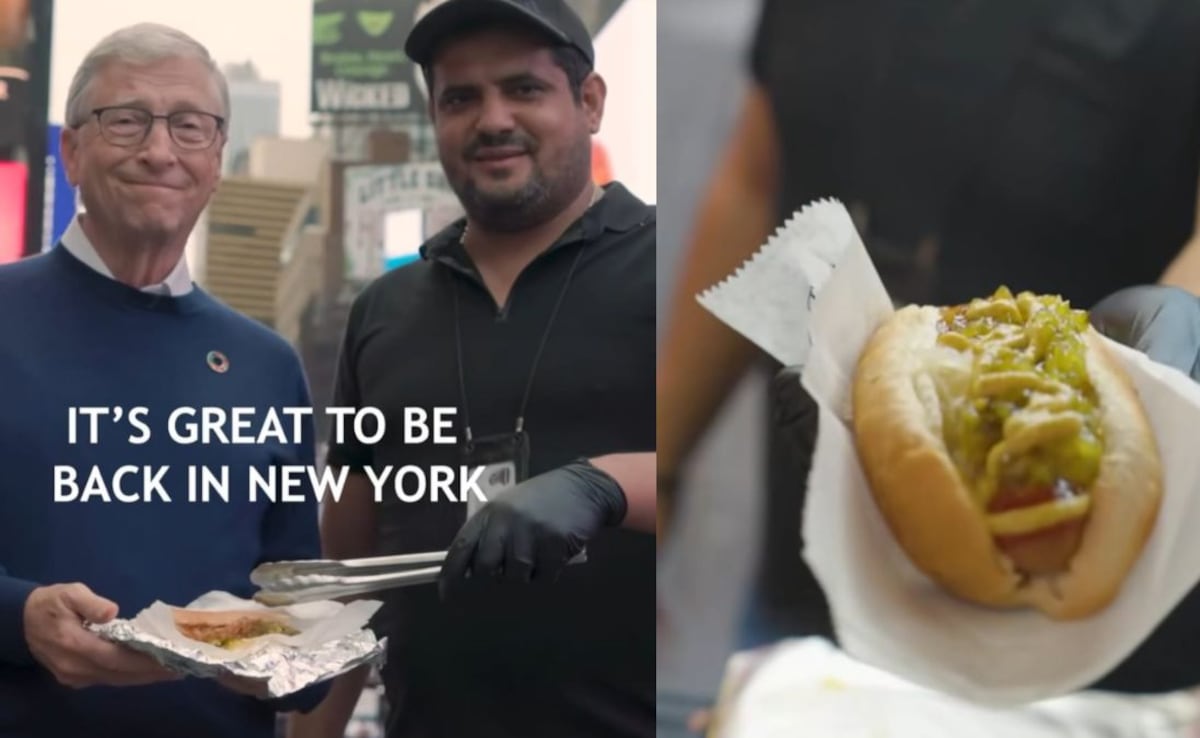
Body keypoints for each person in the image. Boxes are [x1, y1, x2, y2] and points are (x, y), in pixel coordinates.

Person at [657, 0, 1200, 729]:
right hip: (822, 573)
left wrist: (1167, 357)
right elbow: (756, 180)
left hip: (1095, 663)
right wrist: (657, 466)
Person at [288, 1, 655, 737]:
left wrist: (606, 483)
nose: (492, 120)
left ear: (589, 102)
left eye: (523, 89)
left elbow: (750, 494)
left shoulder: (675, 274)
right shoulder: (382, 312)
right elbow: (347, 582)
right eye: (461, 98)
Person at [0, 23, 326, 737]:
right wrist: (16, 618)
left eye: (189, 126)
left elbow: (298, 598)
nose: (158, 150)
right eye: (126, 121)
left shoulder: (268, 367)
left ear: (216, 160)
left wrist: (295, 657)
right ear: (73, 150)